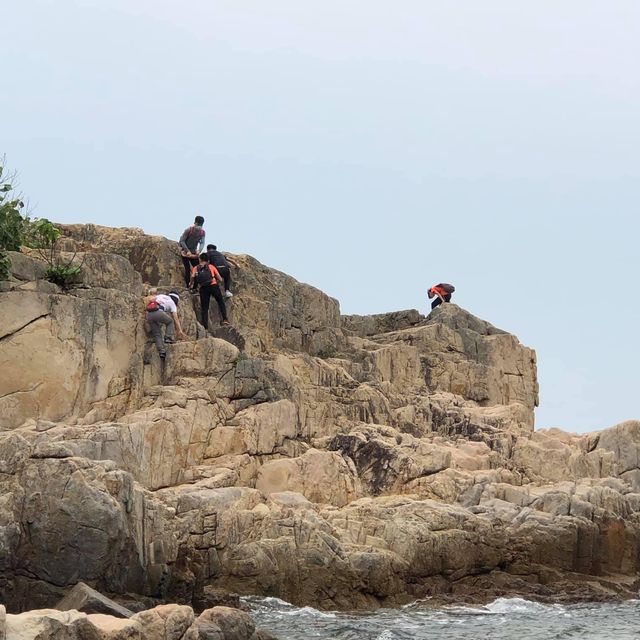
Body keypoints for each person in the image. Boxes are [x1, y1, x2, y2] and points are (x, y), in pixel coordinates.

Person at [190, 253, 230, 329]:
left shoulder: (196, 268)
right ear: (208, 260)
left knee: (204, 308)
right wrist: (216, 281)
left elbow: (192, 277)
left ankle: (205, 326)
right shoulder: (211, 266)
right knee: (220, 302)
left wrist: (190, 284)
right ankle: (225, 319)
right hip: (213, 286)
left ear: (200, 259)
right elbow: (220, 279)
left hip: (203, 288)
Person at [146, 291, 187, 359]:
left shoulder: (161, 295)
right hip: (158, 312)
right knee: (170, 322)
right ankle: (168, 337)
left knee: (157, 334)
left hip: (149, 314)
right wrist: (180, 330)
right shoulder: (172, 303)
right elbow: (175, 318)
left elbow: (150, 299)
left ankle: (162, 352)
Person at [178, 216, 206, 287]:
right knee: (187, 269)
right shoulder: (189, 230)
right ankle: (187, 286)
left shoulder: (202, 232)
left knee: (197, 269)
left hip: (194, 252)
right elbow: (182, 241)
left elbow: (202, 242)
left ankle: (195, 287)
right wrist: (187, 251)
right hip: (185, 252)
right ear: (195, 223)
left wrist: (199, 251)